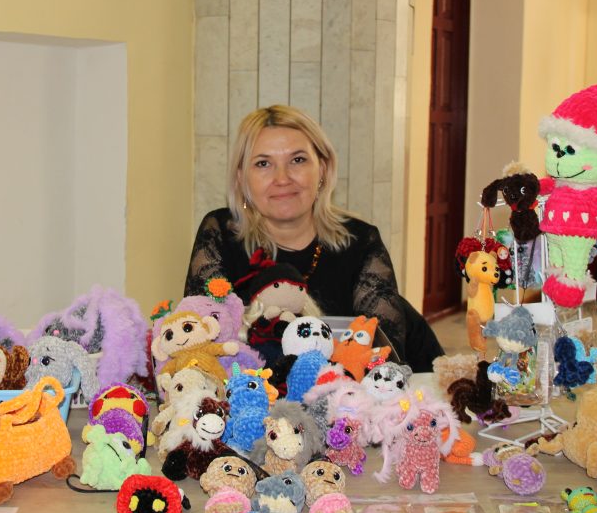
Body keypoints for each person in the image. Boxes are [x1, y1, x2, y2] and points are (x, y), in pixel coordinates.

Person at [184, 104, 444, 373]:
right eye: (263, 163)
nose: (282, 178)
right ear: (241, 178)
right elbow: (198, 344)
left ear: (322, 168)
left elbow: (382, 359)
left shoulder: (362, 241)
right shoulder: (219, 232)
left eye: (297, 160)